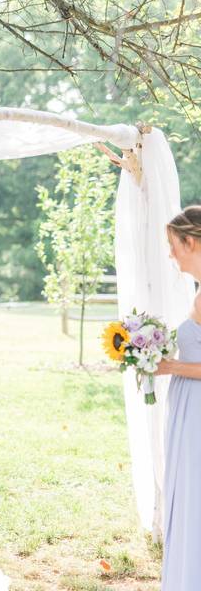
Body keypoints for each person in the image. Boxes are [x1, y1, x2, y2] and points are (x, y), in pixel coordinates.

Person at [153, 206, 201, 590]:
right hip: (189, 412)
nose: (171, 254)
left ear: (191, 241)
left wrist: (171, 368)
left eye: (173, 245)